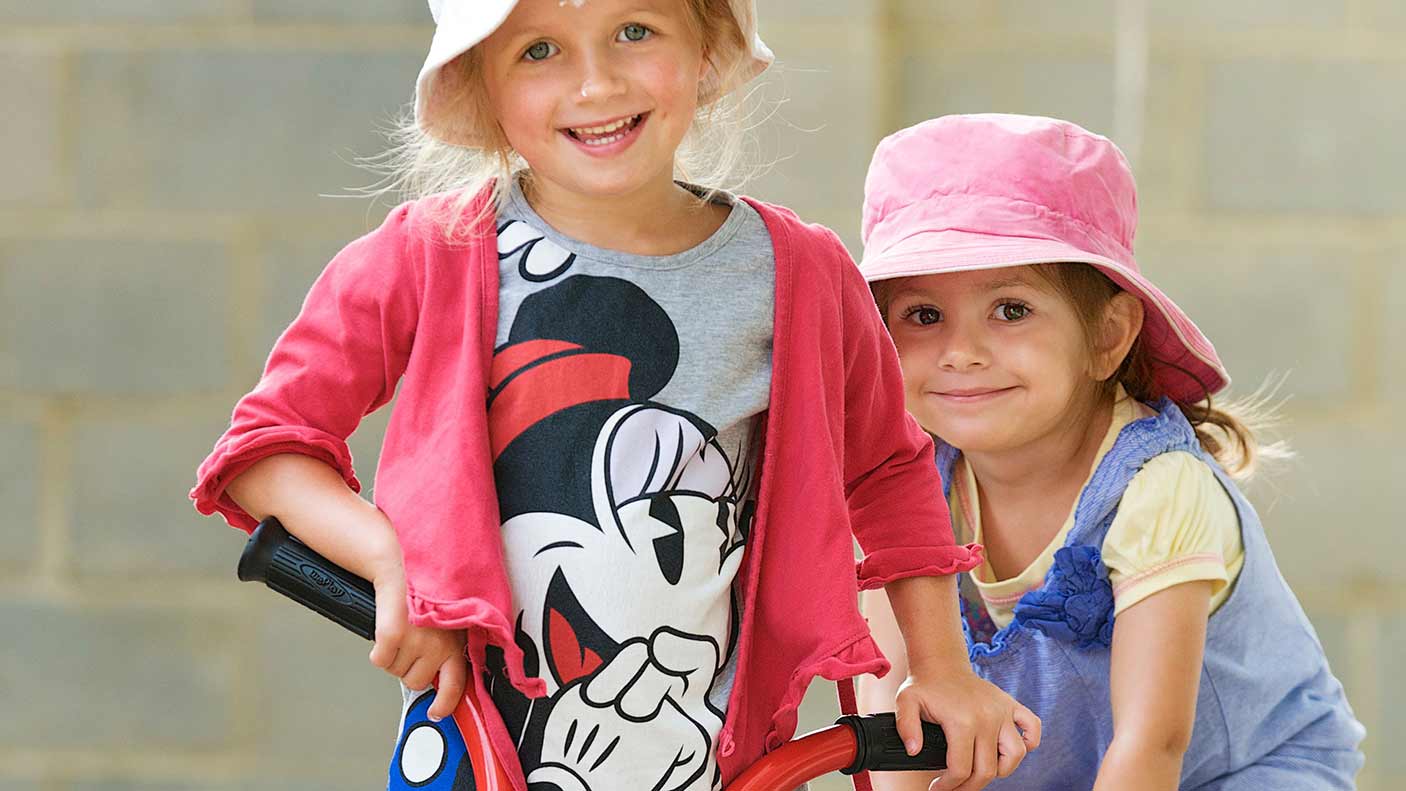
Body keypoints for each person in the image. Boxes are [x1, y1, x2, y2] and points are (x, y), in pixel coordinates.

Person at [190, 5, 1039, 791]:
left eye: (635, 29)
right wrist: (389, 561)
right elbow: (269, 448)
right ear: (484, 88)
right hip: (473, 751)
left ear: (705, 48)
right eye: (540, 50)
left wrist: (942, 669)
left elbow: (890, 472)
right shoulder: (433, 254)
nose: (596, 84)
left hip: (712, 756)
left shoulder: (799, 274)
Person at [856, 113, 1365, 791]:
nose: (961, 352)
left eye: (1010, 309)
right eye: (923, 315)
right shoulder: (897, 487)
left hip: (1232, 772)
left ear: (1108, 334)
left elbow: (1152, 745)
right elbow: (901, 731)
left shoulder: (1156, 490)